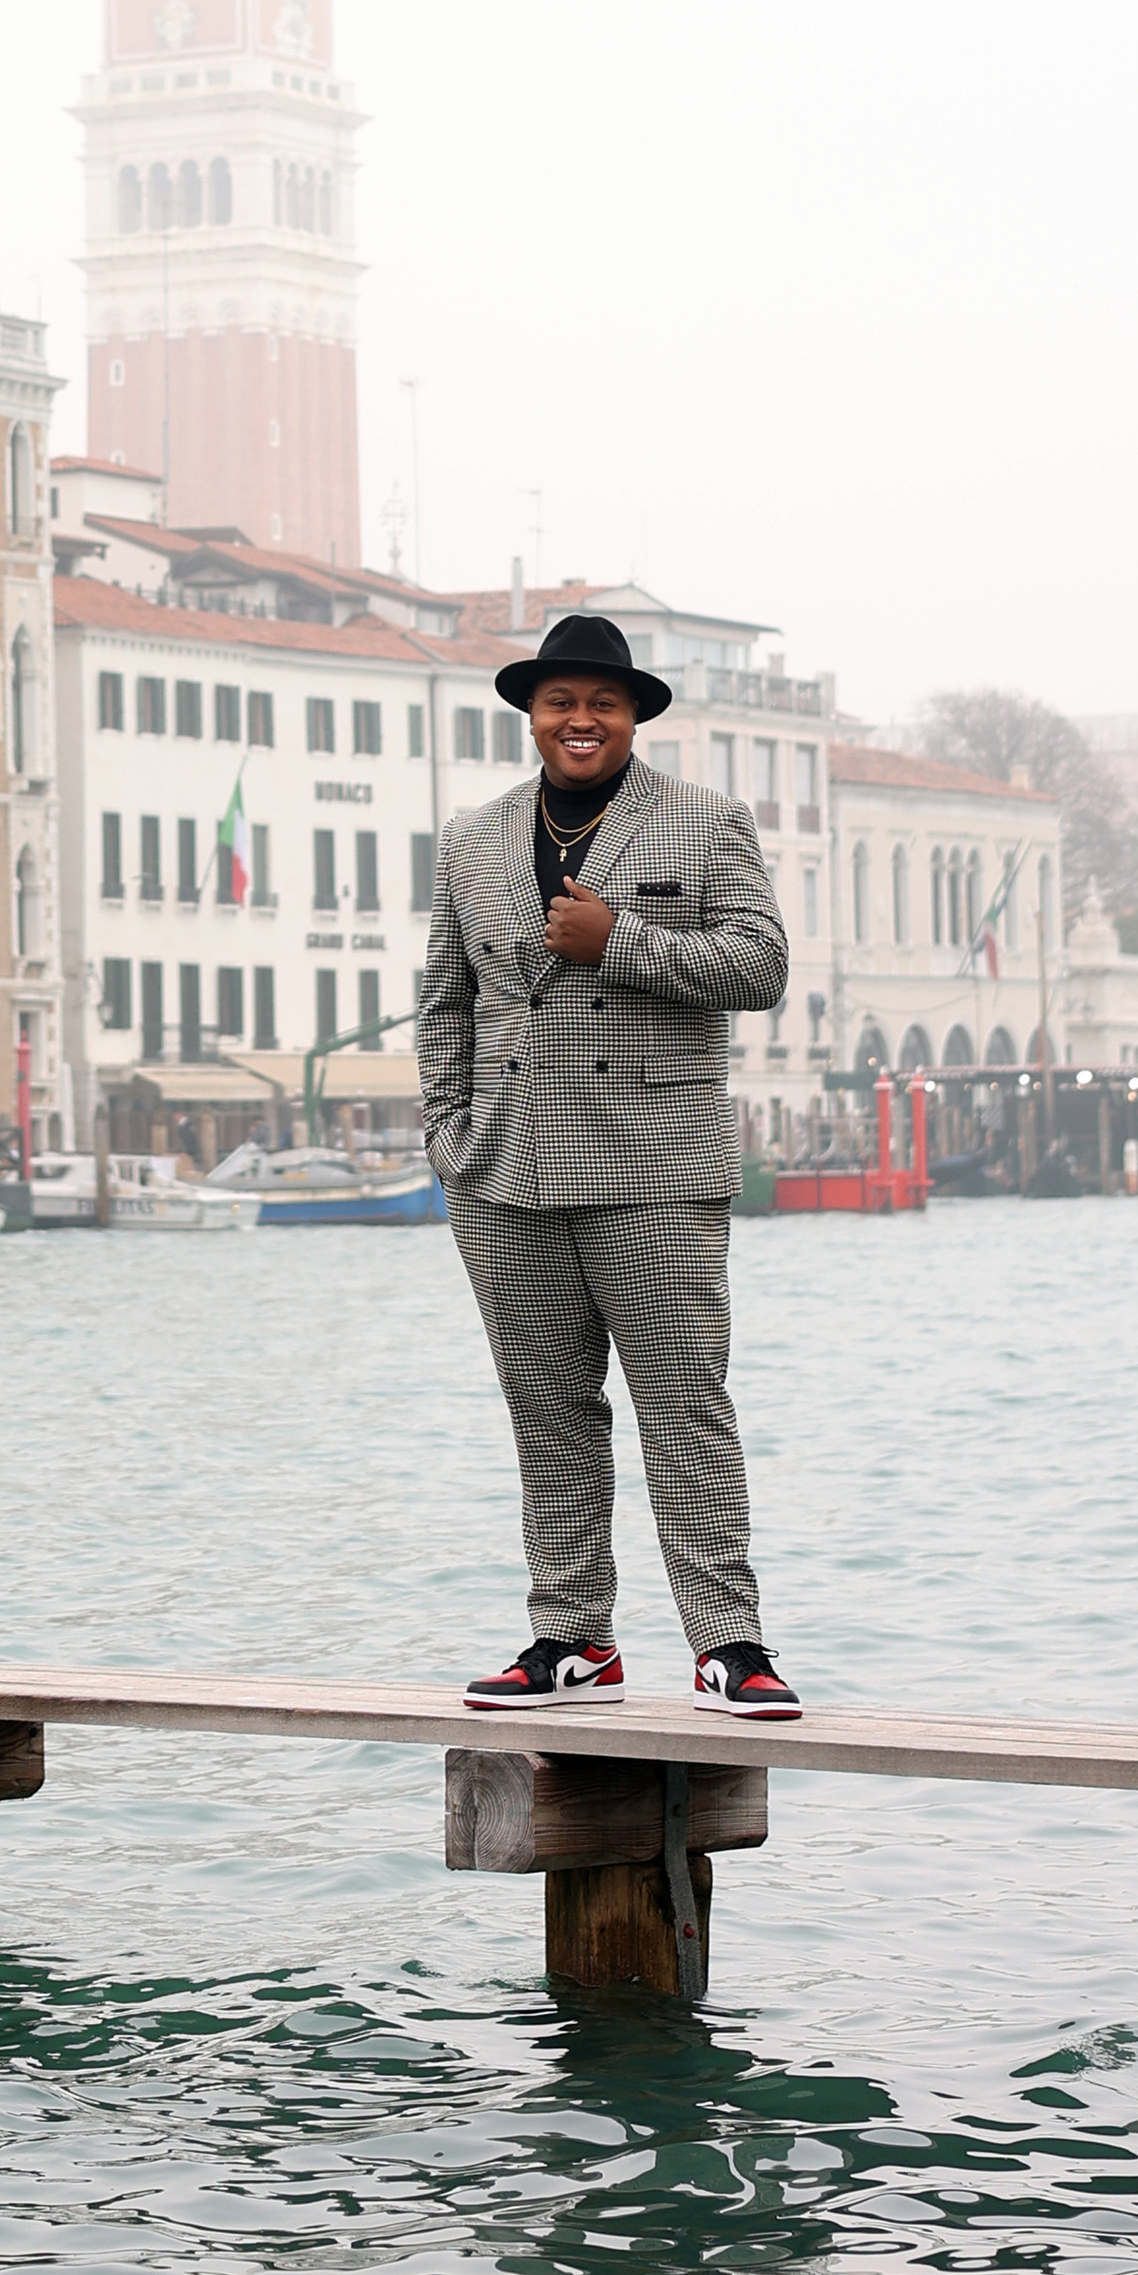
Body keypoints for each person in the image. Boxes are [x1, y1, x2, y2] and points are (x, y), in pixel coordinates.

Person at [418, 611, 802, 1717]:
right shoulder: (471, 839)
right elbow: (445, 999)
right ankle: (571, 1640)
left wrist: (618, 940)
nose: (579, 720)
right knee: (545, 1410)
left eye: (602, 702)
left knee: (682, 1406)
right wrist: (449, 1136)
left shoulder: (705, 822)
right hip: (503, 1170)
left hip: (650, 1167)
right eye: (559, 703)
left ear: (633, 715)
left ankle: (729, 1643)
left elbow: (761, 965)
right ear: (531, 716)